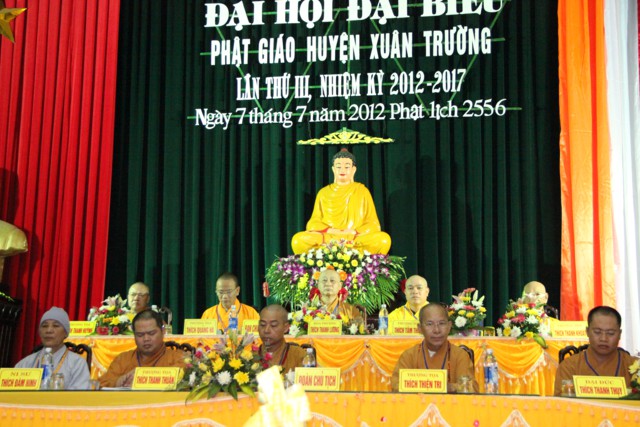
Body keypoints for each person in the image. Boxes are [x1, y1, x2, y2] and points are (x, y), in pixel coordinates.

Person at [291, 149, 391, 255]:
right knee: (298, 240)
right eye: (338, 167)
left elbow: (373, 224)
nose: (342, 170)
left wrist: (354, 231)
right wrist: (330, 231)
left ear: (353, 170)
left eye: (347, 167)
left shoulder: (362, 191)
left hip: (354, 237)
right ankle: (344, 253)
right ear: (333, 169)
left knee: (383, 240)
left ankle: (338, 253)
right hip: (328, 237)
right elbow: (313, 223)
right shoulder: (323, 192)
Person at [391, 303, 478, 392]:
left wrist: (450, 387)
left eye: (441, 323)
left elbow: (470, 388)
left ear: (449, 326)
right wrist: (436, 387)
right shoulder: (409, 355)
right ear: (420, 328)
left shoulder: (460, 355)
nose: (436, 330)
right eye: (429, 324)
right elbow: (397, 385)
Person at [554, 306, 637, 396]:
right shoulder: (570, 366)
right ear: (587, 331)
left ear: (620, 334)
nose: (603, 338)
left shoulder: (634, 366)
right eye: (597, 332)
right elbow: (562, 402)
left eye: (610, 333)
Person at [98, 309, 185, 388]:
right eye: (140, 335)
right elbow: (102, 383)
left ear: (163, 332)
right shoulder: (123, 359)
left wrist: (141, 376)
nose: (146, 339)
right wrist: (118, 382)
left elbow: (185, 375)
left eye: (151, 333)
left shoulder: (179, 357)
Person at [16, 307, 90, 390]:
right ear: (39, 332)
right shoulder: (25, 364)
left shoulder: (77, 363)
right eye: (44, 326)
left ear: (66, 333)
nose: (49, 330)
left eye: (56, 326)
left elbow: (79, 395)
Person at [258, 304, 306, 373]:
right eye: (262, 325)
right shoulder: (249, 357)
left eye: (273, 325)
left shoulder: (299, 355)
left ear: (286, 328)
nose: (266, 330)